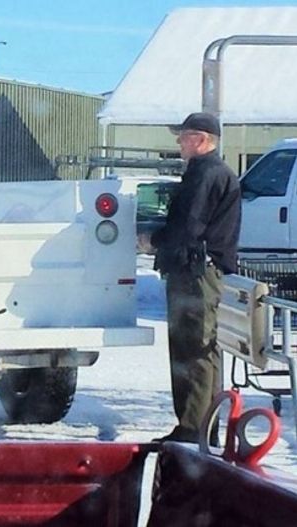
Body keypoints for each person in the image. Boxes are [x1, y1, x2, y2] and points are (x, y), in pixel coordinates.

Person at [149, 112, 241, 444]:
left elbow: (190, 225)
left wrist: (153, 240)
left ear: (201, 140)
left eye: (184, 136)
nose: (179, 142)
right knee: (200, 350)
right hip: (198, 271)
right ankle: (202, 426)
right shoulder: (210, 172)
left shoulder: (206, 175)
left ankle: (193, 429)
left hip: (195, 273)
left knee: (193, 350)